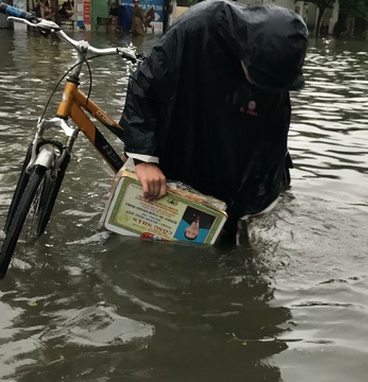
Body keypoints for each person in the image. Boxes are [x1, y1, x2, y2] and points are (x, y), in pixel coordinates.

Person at [119, 0, 308, 246]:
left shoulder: (275, 76)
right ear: (248, 49)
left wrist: (255, 205)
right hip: (181, 130)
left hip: (231, 148)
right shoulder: (195, 28)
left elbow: (270, 145)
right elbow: (143, 87)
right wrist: (144, 160)